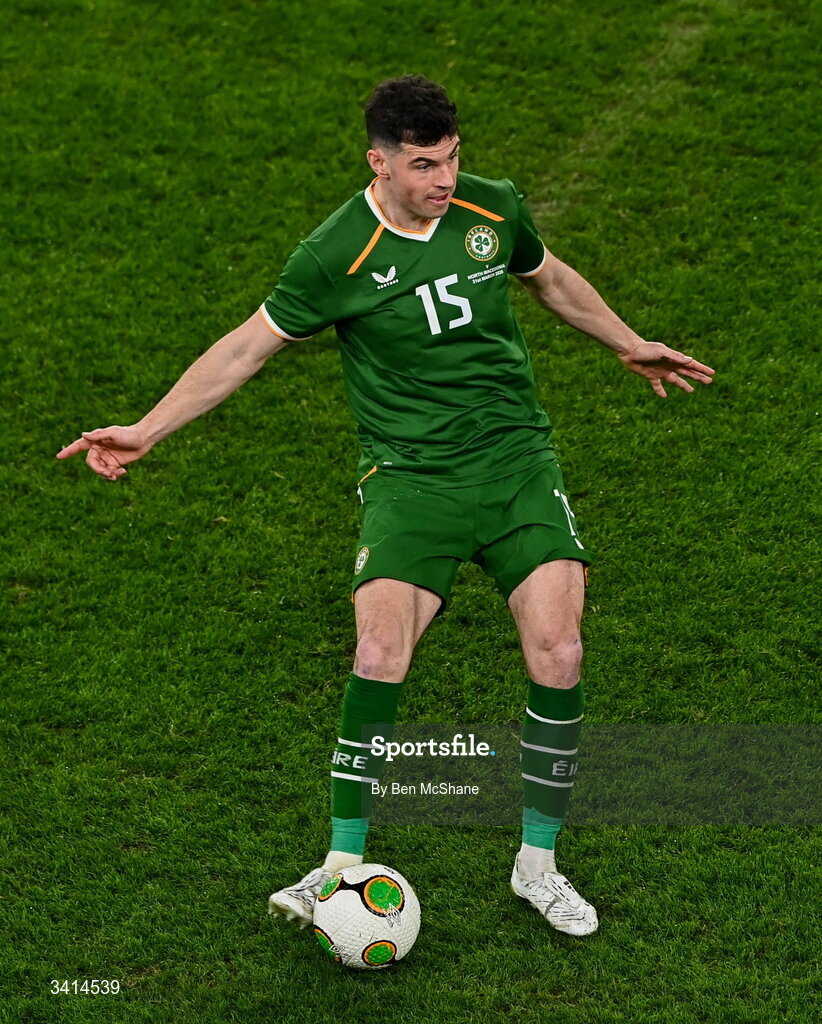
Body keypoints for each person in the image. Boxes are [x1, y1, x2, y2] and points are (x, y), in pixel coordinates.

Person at [58, 75, 714, 938]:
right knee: (377, 650)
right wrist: (149, 428)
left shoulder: (491, 210)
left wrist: (630, 343)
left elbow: (551, 281)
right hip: (410, 478)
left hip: (516, 461)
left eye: (452, 159)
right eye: (424, 165)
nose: (445, 179)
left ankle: (538, 864)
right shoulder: (336, 254)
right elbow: (246, 350)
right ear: (380, 163)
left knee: (559, 650)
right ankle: (338, 868)